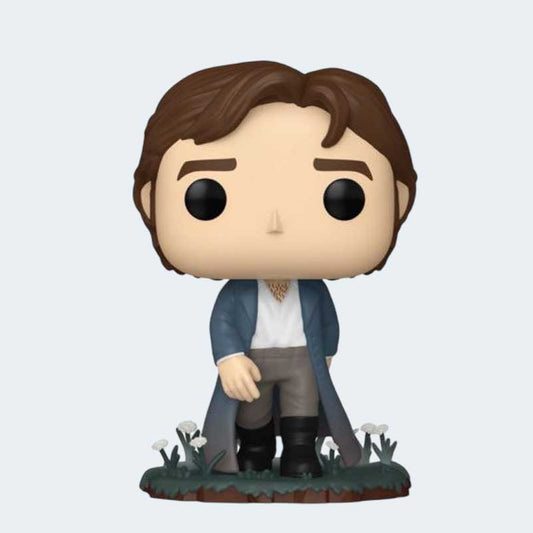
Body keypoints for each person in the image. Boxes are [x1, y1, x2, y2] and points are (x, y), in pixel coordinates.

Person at [133, 61, 416, 476]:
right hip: (253, 360)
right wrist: (229, 359)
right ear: (151, 200)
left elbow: (329, 323)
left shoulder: (313, 289)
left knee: (304, 406)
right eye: (208, 196)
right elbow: (222, 323)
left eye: (343, 197)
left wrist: (327, 355)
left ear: (397, 201)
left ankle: (301, 454)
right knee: (253, 411)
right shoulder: (237, 293)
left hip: (304, 358)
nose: (275, 224)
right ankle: (255, 452)